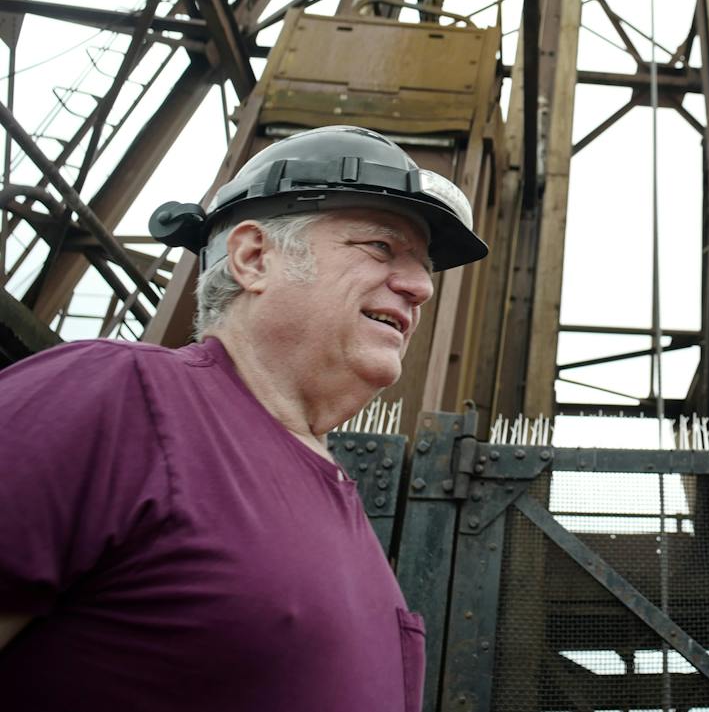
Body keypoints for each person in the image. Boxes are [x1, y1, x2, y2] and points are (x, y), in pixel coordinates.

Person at [0, 125, 487, 711]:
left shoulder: (341, 503)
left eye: (424, 265)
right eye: (381, 247)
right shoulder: (116, 396)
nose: (420, 288)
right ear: (254, 257)